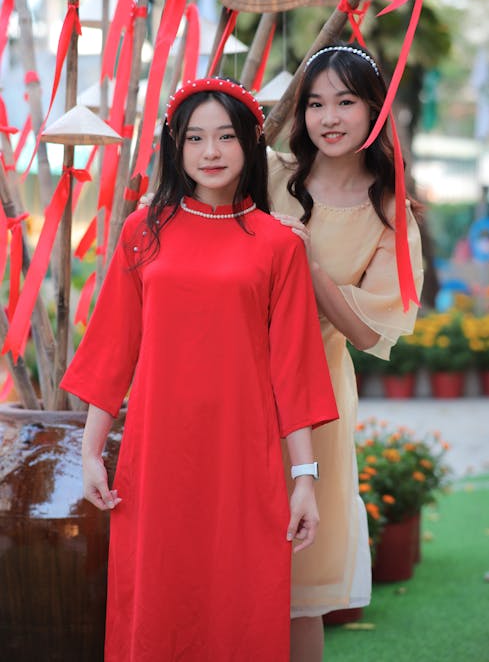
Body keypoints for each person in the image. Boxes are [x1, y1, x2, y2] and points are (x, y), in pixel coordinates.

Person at [60, 77, 339, 662]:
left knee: (242, 603)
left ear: (250, 145)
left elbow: (294, 373)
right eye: (195, 138)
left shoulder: (279, 244)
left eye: (225, 137)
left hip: (245, 458)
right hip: (156, 459)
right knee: (157, 600)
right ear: (175, 147)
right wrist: (89, 454)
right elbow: (113, 350)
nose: (211, 152)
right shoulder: (143, 233)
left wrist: (305, 481)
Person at [267, 42, 424, 662]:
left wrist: (303, 259)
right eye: (314, 103)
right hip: (232, 378)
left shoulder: (390, 214)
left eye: (346, 101)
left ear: (374, 111)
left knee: (297, 581)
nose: (328, 117)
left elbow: (367, 330)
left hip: (315, 394)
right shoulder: (271, 174)